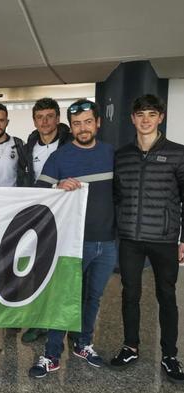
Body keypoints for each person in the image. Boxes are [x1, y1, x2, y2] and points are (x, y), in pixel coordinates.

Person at [29, 99, 116, 378]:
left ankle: (83, 343)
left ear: (98, 123)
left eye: (88, 122)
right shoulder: (61, 157)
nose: (83, 128)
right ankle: (52, 354)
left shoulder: (111, 153)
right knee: (65, 297)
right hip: (75, 242)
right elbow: (39, 191)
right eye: (77, 123)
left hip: (108, 242)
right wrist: (57, 184)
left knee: (93, 297)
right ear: (71, 126)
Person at [111, 94, 184, 383]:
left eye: (151, 114)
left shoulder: (179, 154)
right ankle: (130, 346)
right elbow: (117, 194)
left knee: (166, 297)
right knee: (130, 294)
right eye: (140, 114)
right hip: (130, 237)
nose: (145, 120)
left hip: (164, 238)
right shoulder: (122, 155)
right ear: (132, 118)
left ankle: (169, 355)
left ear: (160, 118)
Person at [19, 98, 71, 343]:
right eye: (40, 117)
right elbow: (23, 182)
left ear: (58, 118)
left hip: (66, 217)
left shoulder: (70, 144)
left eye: (50, 116)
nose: (45, 121)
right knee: (38, 270)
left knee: (64, 272)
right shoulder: (29, 148)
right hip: (38, 218)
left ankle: (65, 325)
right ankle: (39, 322)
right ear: (34, 120)